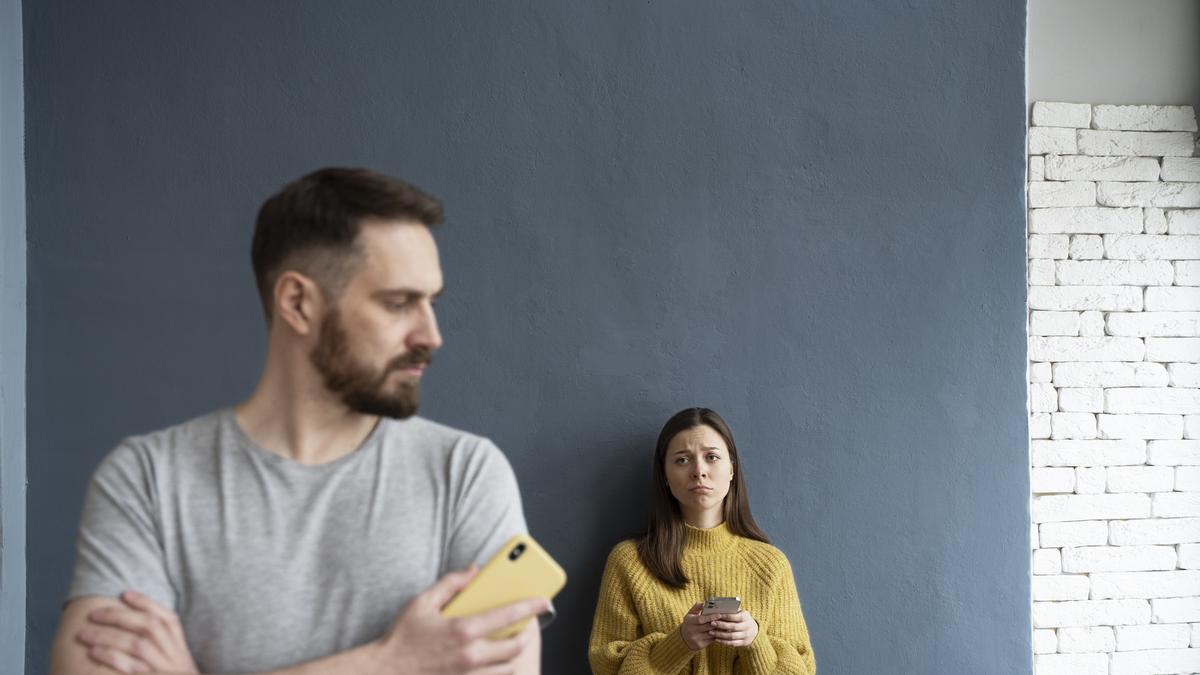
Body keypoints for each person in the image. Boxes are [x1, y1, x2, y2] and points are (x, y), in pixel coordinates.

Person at [48, 168, 549, 675]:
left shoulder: (465, 474)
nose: (431, 335)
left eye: (432, 303)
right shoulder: (147, 479)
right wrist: (391, 662)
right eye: (399, 304)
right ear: (298, 302)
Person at [588, 407, 816, 674]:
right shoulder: (630, 562)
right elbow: (606, 667)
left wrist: (755, 641)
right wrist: (679, 643)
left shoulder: (771, 565)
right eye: (682, 460)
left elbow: (802, 669)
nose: (699, 471)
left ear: (731, 469)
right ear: (664, 476)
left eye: (711, 457)